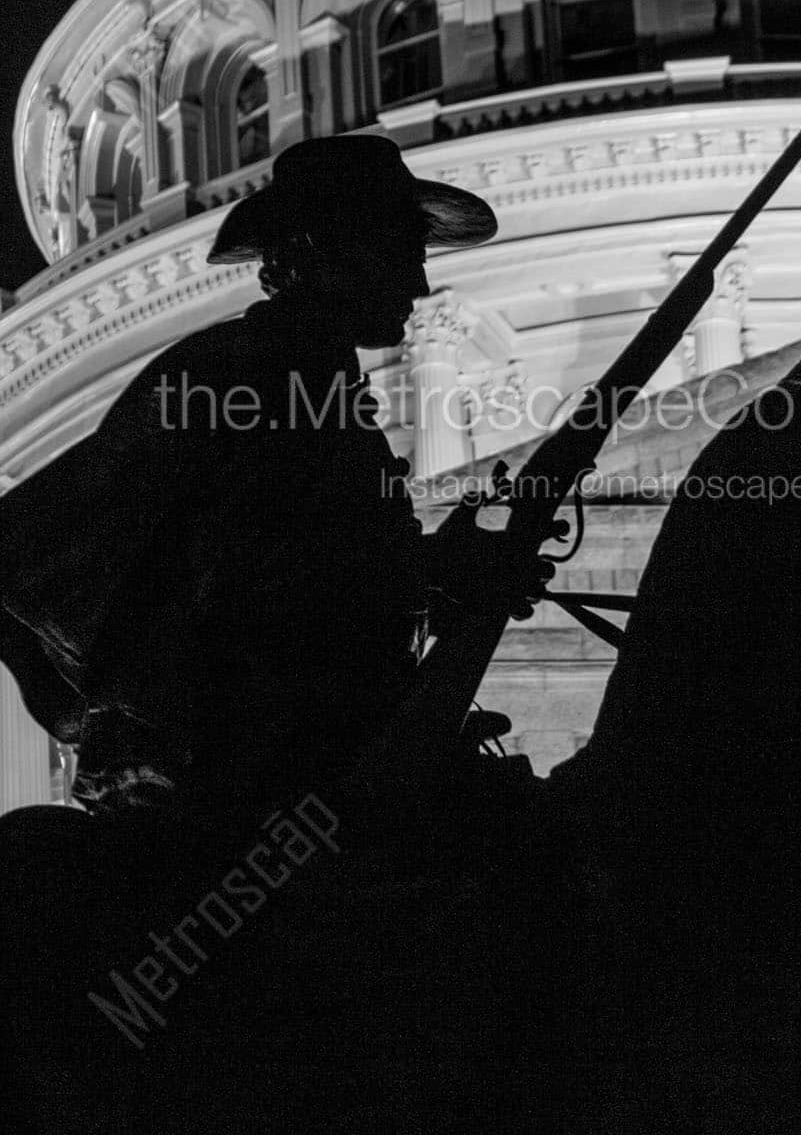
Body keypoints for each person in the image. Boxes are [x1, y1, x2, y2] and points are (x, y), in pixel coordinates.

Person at [0, 135, 542, 830]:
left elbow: (304, 571)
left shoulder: (314, 385)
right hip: (249, 779)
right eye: (402, 252)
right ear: (324, 247)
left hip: (315, 751)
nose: (419, 285)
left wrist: (435, 573)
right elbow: (56, 554)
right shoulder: (234, 376)